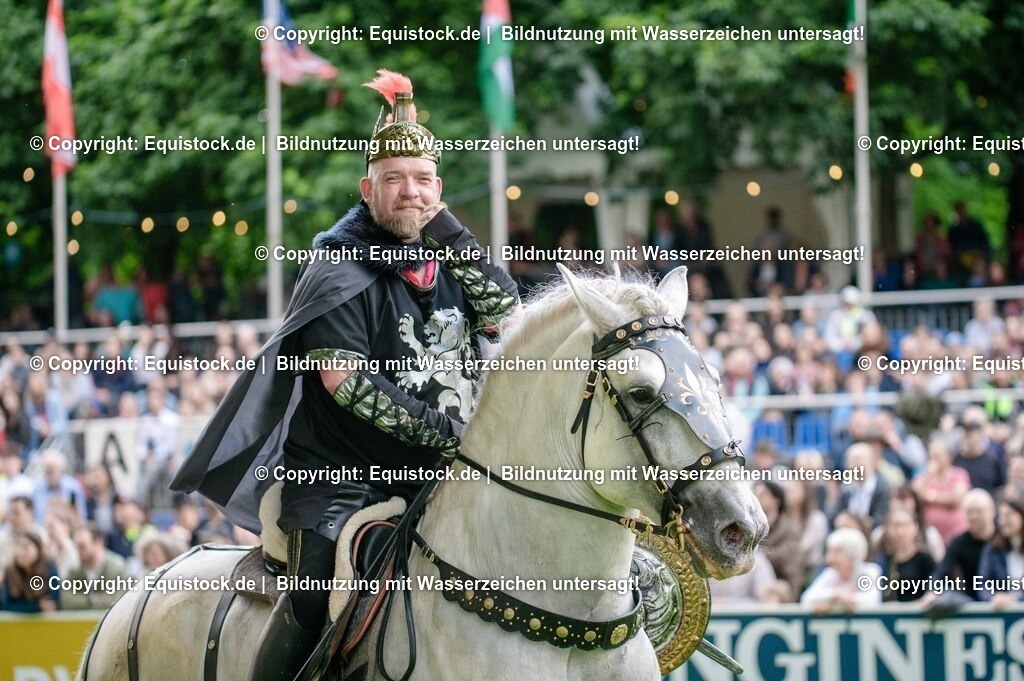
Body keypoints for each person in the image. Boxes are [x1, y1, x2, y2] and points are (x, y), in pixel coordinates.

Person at [170, 70, 519, 680]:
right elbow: (345, 383)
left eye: (422, 179)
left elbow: (508, 312)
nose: (409, 192)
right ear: (368, 189)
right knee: (313, 597)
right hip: (341, 477)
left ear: (438, 188)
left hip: (443, 472)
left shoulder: (453, 258)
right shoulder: (338, 267)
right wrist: (454, 436)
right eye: (394, 179)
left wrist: (449, 232)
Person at [927, 489, 995, 601]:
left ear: (992, 511)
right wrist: (933, 591)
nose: (973, 516)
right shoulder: (959, 542)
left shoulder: (1001, 540)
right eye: (969, 512)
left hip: (1001, 600)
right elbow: (943, 570)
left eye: (978, 511)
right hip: (971, 602)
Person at [800, 527, 882, 613]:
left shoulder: (870, 571)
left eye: (837, 553)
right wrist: (834, 595)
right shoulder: (830, 573)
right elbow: (806, 599)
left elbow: (873, 600)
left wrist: (838, 601)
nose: (830, 559)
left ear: (852, 555)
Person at [911, 439, 970, 544]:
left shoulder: (959, 474)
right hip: (929, 536)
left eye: (938, 456)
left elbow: (956, 499)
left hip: (955, 532)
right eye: (931, 457)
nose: (934, 460)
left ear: (948, 457)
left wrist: (931, 497)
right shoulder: (923, 477)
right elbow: (914, 497)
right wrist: (929, 476)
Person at [62, 522, 129, 610]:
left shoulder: (116, 566)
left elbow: (116, 601)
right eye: (76, 547)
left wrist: (82, 600)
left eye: (82, 546)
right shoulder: (75, 569)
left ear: (98, 542)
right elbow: (67, 602)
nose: (78, 551)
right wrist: (92, 600)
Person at [875, 507, 936, 602]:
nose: (900, 532)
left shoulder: (925, 561)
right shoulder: (882, 561)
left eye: (905, 525)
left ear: (916, 527)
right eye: (895, 526)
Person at [977, 497, 1024, 607]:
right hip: (1003, 612)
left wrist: (1016, 598)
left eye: (1009, 515)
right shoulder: (993, 549)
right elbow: (982, 583)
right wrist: (993, 597)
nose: (1003, 521)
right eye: (1001, 516)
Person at [0, 530, 59, 612]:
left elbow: (53, 604)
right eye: (18, 547)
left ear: (38, 550)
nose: (20, 552)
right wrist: (37, 606)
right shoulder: (10, 572)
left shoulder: (50, 570)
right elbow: (6, 606)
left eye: (26, 547)